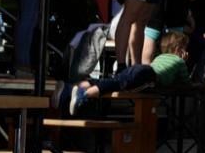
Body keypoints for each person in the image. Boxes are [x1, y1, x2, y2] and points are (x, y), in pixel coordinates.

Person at [53, 31, 190, 115]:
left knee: (114, 80)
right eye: (185, 48)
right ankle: (83, 95)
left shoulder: (159, 57)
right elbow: (185, 81)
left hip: (141, 68)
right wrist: (184, 61)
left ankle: (70, 88)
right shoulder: (180, 62)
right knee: (117, 85)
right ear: (179, 50)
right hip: (150, 77)